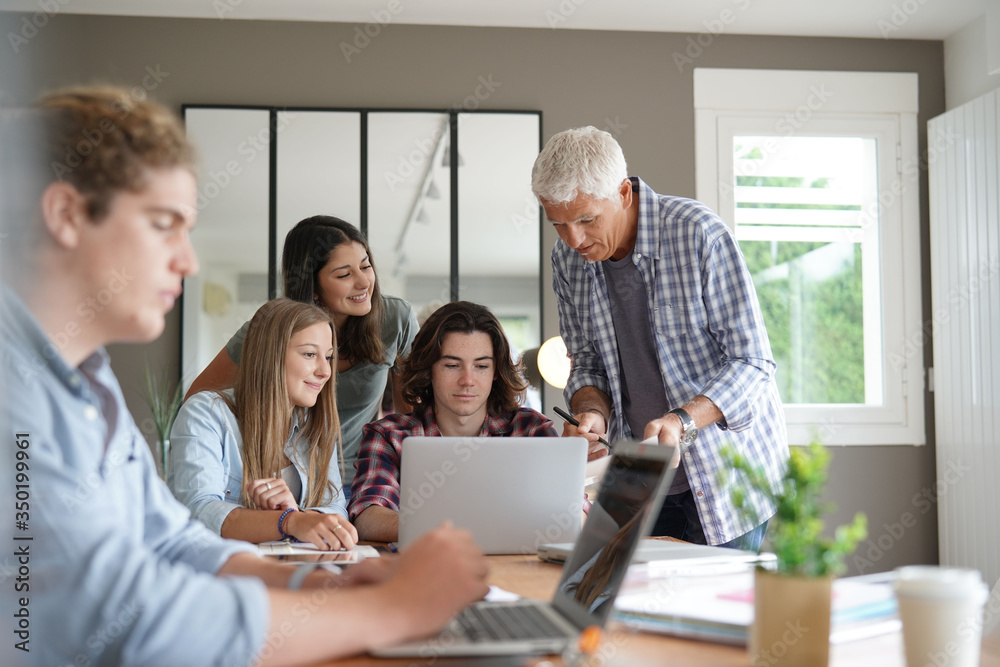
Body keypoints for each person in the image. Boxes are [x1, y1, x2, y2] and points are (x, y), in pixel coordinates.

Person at [0, 86, 486, 667]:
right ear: (67, 215)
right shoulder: (15, 392)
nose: (189, 261)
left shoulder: (89, 382)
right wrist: (393, 609)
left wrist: (318, 586)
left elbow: (169, 539)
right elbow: (125, 618)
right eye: (164, 224)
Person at [532, 126, 789, 550]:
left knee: (708, 611)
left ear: (624, 194)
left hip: (725, 473)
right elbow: (586, 361)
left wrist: (681, 421)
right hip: (638, 474)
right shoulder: (569, 260)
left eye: (586, 219)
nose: (573, 239)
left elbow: (753, 362)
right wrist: (590, 414)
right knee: (626, 607)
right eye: (558, 223)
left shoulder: (697, 233)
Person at [187, 215, 419, 495]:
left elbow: (410, 417)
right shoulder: (268, 331)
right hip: (290, 480)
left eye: (366, 266)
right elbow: (198, 402)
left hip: (364, 479)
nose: (363, 283)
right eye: (344, 274)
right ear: (313, 287)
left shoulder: (396, 320)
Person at [349, 301, 558, 542]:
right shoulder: (389, 435)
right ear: (428, 370)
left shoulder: (531, 429)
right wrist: (471, 529)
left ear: (496, 372)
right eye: (452, 365)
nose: (467, 380)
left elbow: (575, 512)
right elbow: (367, 516)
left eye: (481, 366)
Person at [169, 298, 358, 550]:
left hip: (293, 568)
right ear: (271, 355)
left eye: (329, 357)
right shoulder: (205, 413)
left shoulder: (316, 426)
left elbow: (335, 509)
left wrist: (296, 513)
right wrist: (287, 521)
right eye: (310, 354)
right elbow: (198, 511)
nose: (326, 371)